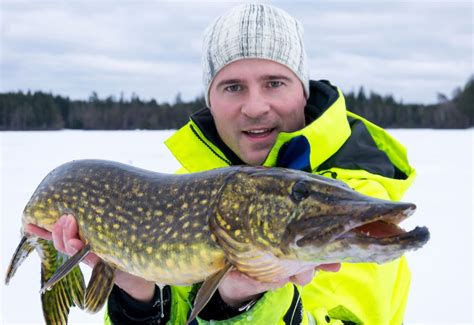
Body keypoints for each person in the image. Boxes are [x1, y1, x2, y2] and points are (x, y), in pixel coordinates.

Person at [27, 3, 416, 324]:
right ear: (210, 100)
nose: (255, 106)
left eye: (275, 82)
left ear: (304, 90)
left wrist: (240, 304)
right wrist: (138, 295)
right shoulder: (186, 190)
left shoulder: (359, 195)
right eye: (233, 87)